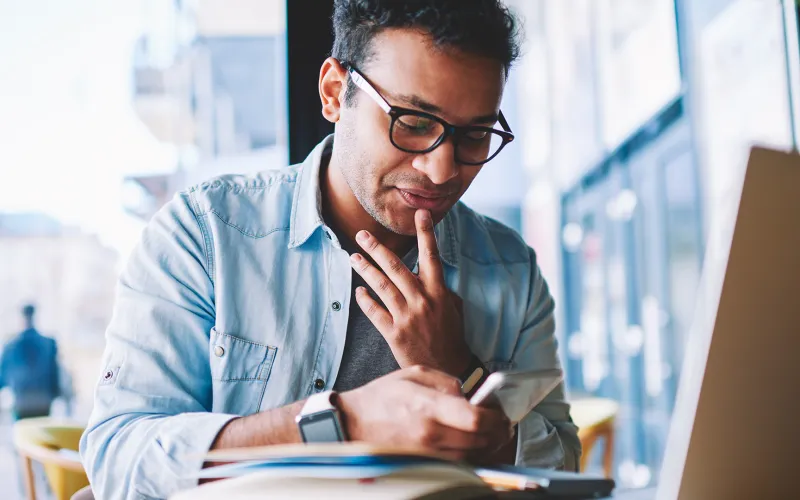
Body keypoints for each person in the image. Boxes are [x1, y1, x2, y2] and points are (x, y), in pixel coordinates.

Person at [80, 1, 581, 498]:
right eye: (412, 123)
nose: (441, 170)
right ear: (335, 93)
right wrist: (340, 423)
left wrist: (459, 370)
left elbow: (565, 471)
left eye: (474, 135)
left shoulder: (511, 270)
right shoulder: (204, 235)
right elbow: (119, 458)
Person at [0, 304, 61, 419]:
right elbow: (55, 374)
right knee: (41, 429)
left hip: (21, 401)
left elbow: (2, 376)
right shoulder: (49, 343)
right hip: (43, 400)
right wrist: (55, 394)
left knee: (22, 430)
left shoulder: (10, 345)